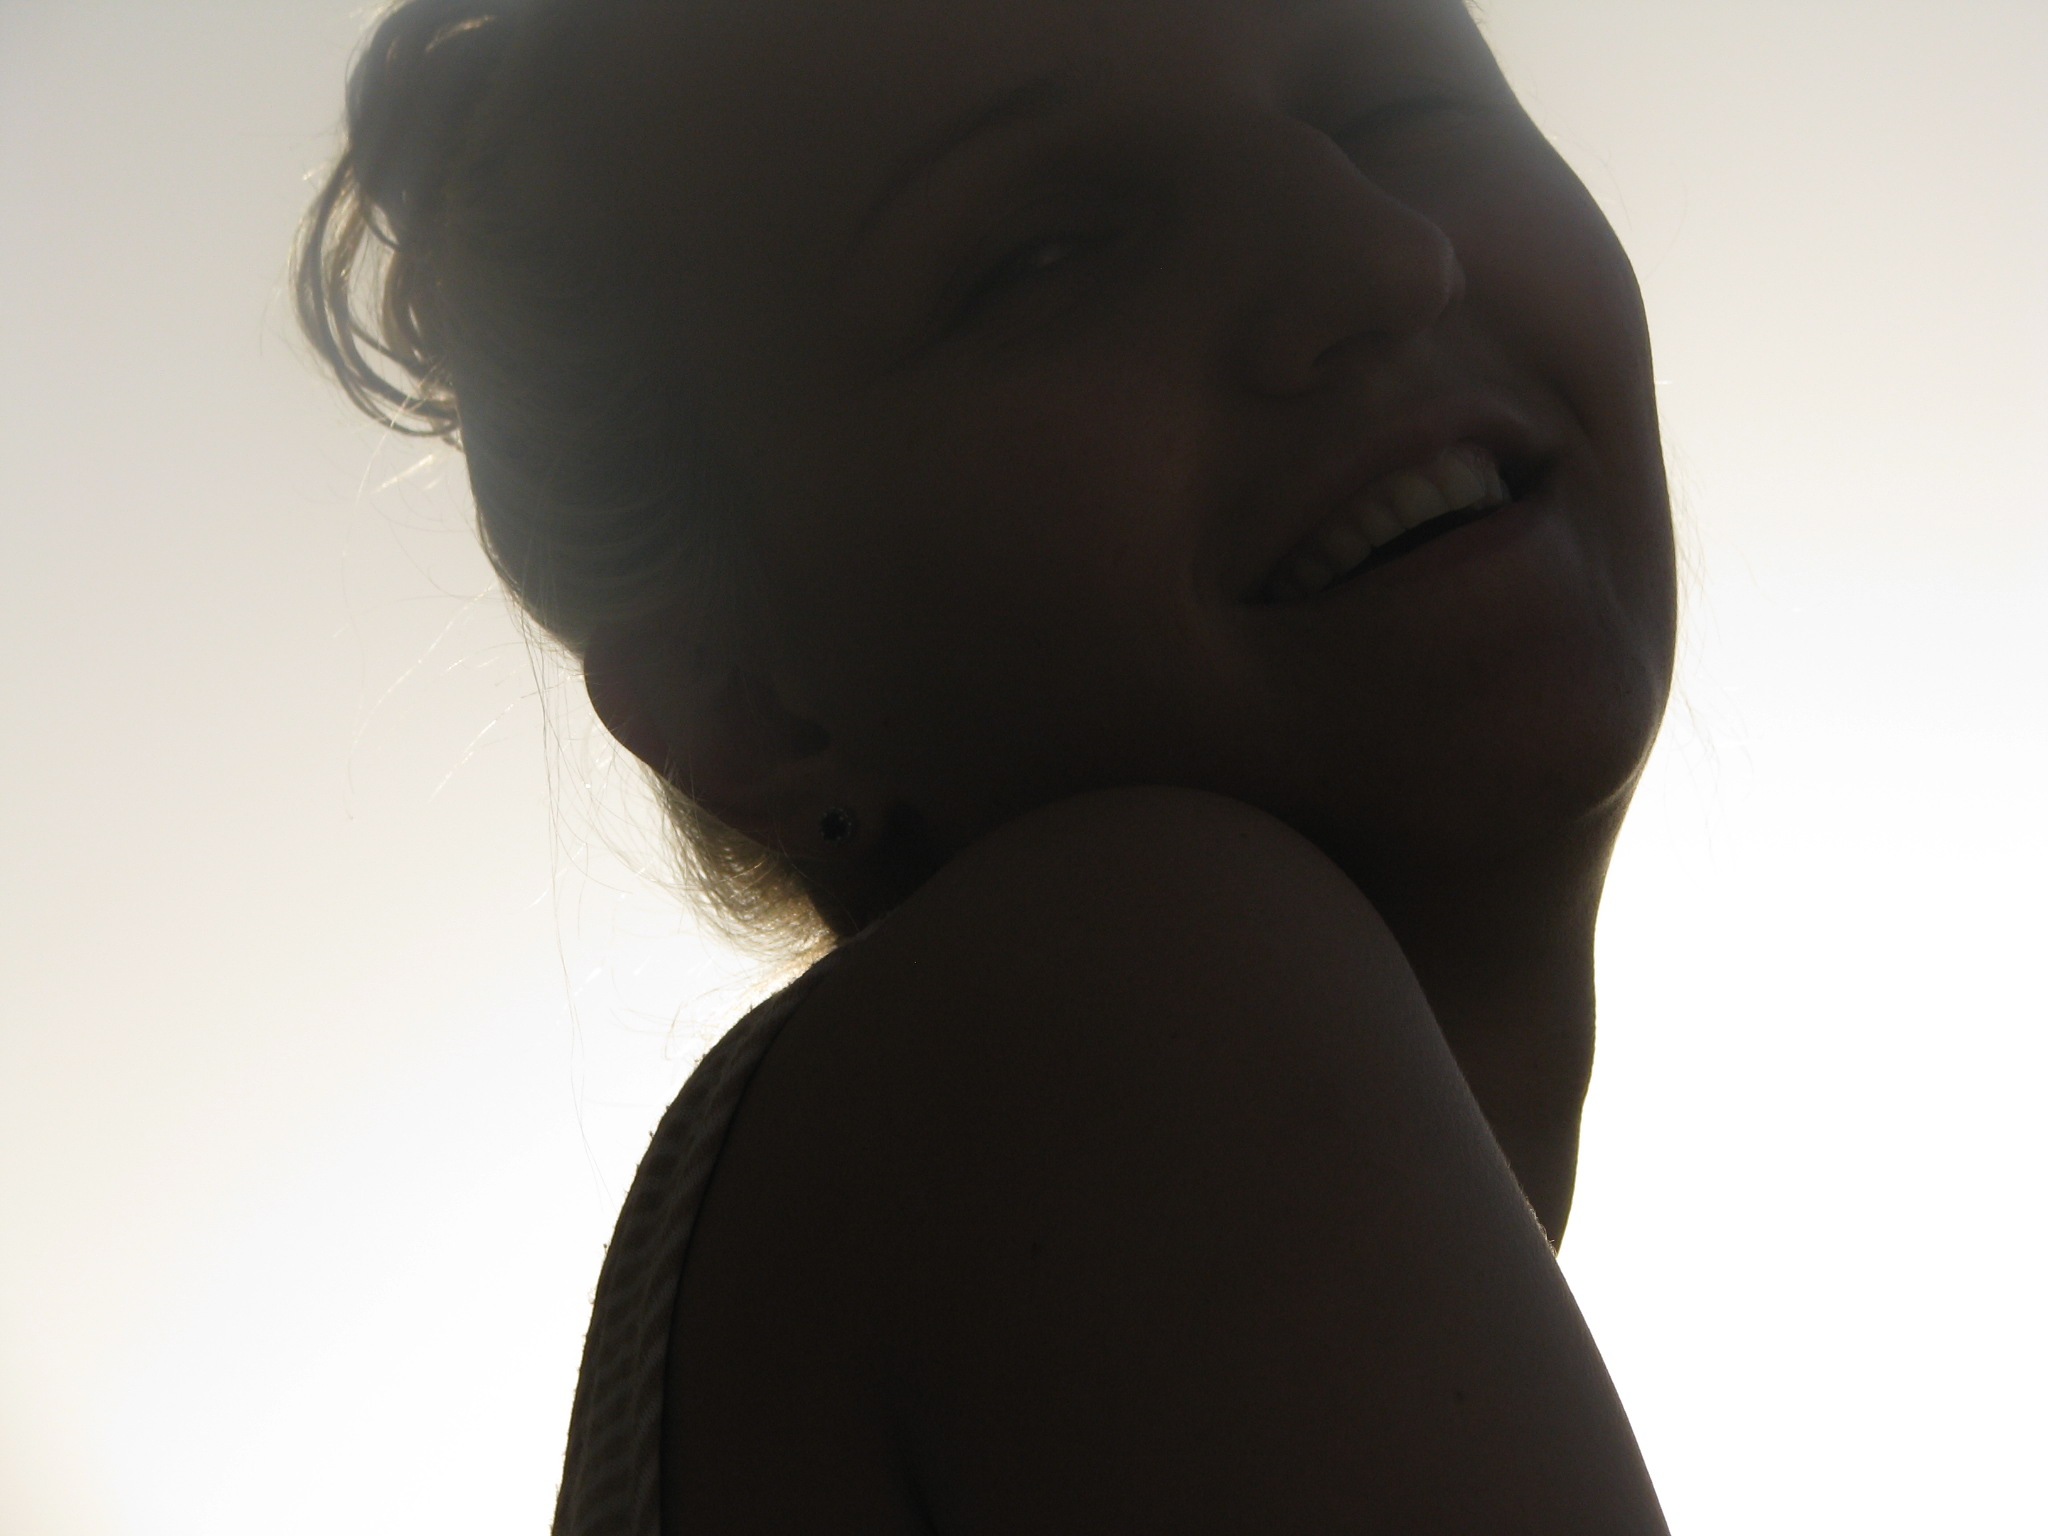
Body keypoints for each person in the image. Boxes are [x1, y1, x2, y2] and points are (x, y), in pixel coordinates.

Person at [296, 0, 1677, 1528]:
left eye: (1392, 107)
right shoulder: (1130, 984)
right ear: (746, 698)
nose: (1379, 259)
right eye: (1045, 253)